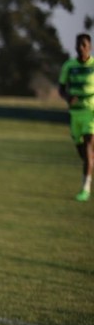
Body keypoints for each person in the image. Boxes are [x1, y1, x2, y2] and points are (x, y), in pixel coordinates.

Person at [58, 33, 94, 202]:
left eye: (84, 45)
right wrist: (67, 97)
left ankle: (85, 189)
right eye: (78, 45)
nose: (81, 48)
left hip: (91, 113)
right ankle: (88, 174)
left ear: (90, 47)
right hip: (75, 114)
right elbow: (61, 88)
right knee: (83, 152)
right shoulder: (69, 66)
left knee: (88, 146)